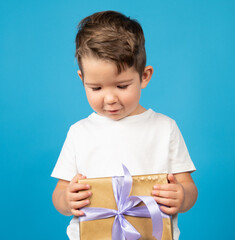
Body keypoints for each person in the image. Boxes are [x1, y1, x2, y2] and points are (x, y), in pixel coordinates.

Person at [51, 10, 198, 240]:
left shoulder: (164, 128)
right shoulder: (79, 133)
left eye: (121, 86)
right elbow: (60, 193)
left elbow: (188, 187)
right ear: (82, 79)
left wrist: (181, 196)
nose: (109, 99)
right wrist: (67, 200)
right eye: (96, 88)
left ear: (144, 76)